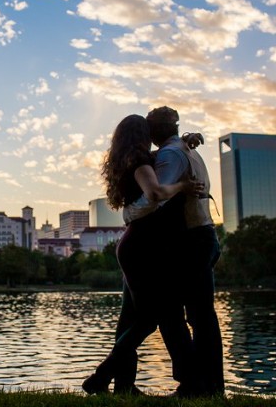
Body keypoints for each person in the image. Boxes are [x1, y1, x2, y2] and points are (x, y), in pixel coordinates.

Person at [82, 114, 201, 395]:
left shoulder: (128, 159)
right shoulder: (139, 161)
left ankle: (123, 386)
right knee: (150, 319)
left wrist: (184, 141)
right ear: (141, 135)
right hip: (143, 248)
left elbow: (159, 158)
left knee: (131, 318)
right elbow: (155, 192)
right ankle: (100, 377)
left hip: (137, 245)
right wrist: (183, 186)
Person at [125, 106, 224, 396]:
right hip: (203, 236)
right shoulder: (185, 150)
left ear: (153, 132)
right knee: (200, 315)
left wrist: (129, 213)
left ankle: (195, 385)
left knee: (173, 313)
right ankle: (208, 387)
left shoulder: (170, 155)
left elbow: (155, 197)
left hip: (192, 242)